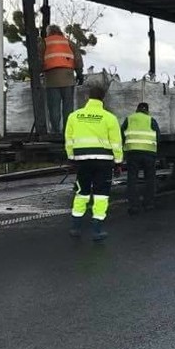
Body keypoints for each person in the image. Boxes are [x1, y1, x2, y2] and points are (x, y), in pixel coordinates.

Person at [65, 85, 123, 241]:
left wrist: (71, 157)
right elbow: (116, 142)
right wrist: (118, 162)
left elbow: (69, 140)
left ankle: (76, 227)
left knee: (81, 192)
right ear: (103, 99)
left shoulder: (74, 116)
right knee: (101, 194)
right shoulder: (109, 118)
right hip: (103, 161)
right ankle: (97, 230)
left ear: (87, 98)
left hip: (83, 160)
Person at [41, 24, 83, 134]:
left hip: (52, 79)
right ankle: (67, 132)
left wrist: (39, 72)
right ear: (59, 31)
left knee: (54, 107)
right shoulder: (68, 42)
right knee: (68, 107)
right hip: (68, 78)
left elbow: (38, 60)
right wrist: (79, 74)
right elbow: (78, 59)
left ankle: (56, 132)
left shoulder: (44, 43)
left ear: (48, 32)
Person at [121, 102, 161, 214]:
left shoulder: (129, 119)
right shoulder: (151, 120)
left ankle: (134, 205)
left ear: (136, 109)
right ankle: (149, 204)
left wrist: (124, 149)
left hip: (132, 153)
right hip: (149, 153)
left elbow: (121, 135)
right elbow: (158, 137)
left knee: (132, 179)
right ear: (147, 110)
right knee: (150, 179)